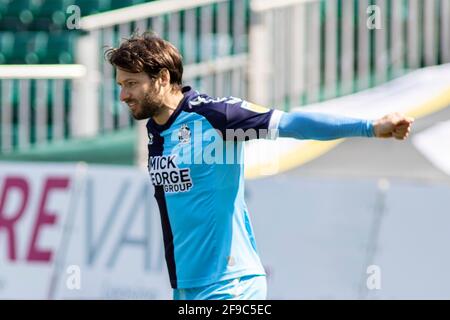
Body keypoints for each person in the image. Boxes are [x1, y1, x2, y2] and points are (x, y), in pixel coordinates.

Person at [105, 32, 413, 300]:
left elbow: (291, 123)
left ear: (162, 79)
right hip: (186, 286)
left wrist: (370, 127)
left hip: (230, 284)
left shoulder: (216, 116)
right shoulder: (156, 130)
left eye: (131, 83)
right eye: (120, 84)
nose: (123, 95)